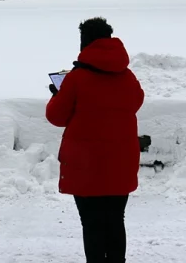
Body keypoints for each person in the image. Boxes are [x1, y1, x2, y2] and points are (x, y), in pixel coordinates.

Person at [46, 18, 144, 263]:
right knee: (115, 220)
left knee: (92, 224)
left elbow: (56, 116)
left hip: (85, 165)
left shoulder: (77, 78)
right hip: (120, 163)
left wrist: (59, 96)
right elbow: (136, 102)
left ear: (84, 43)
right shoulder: (128, 76)